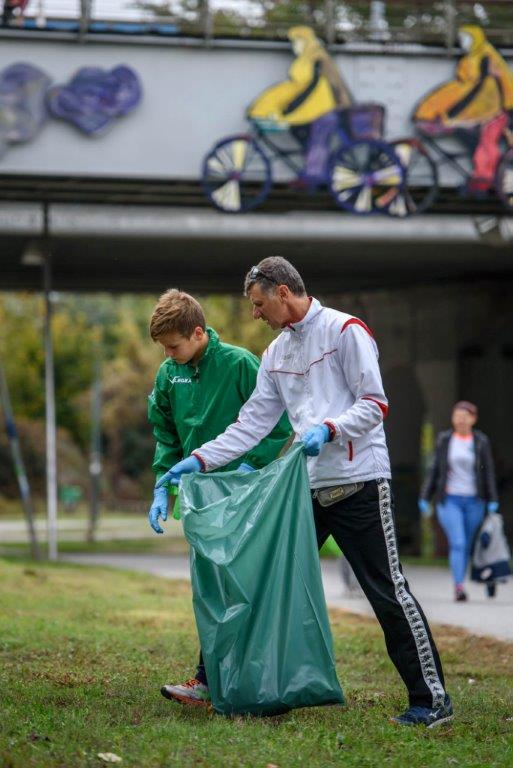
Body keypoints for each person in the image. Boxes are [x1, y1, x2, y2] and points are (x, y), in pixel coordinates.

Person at [155, 257, 453, 728]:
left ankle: (430, 699)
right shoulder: (275, 354)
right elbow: (250, 424)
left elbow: (375, 404)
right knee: (258, 581)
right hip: (304, 488)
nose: (254, 314)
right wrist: (196, 461)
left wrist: (330, 429)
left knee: (386, 592)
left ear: (282, 293)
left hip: (358, 483)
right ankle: (222, 683)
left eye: (258, 304)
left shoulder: (345, 331)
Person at [147, 288, 291, 706]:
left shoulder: (240, 364)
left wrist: (254, 464)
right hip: (199, 495)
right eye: (164, 348)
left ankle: (238, 679)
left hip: (243, 492)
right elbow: (166, 433)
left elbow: (277, 421)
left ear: (197, 332)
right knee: (210, 588)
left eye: (174, 346)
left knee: (241, 586)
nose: (170, 354)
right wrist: (164, 485)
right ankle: (210, 680)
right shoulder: (168, 374)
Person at [247, 26, 352, 186]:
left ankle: (314, 175)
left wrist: (283, 108)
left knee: (315, 140)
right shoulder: (313, 56)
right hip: (318, 109)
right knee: (305, 136)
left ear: (305, 41)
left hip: (320, 110)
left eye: (297, 42)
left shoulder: (313, 58)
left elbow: (304, 87)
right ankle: (311, 171)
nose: (294, 46)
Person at [419, 401, 499, 601]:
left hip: (475, 501)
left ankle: (468, 579)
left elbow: (488, 471)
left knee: (468, 544)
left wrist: (492, 499)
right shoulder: (445, 440)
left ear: (473, 419)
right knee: (458, 542)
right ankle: (459, 586)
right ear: (453, 419)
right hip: (449, 500)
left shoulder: (481, 441)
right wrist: (425, 497)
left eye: (465, 416)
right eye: (457, 416)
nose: (461, 420)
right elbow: (435, 469)